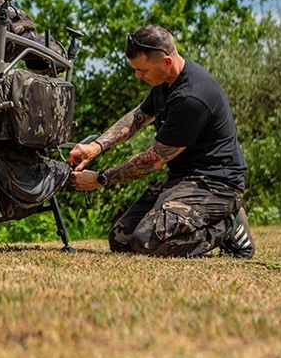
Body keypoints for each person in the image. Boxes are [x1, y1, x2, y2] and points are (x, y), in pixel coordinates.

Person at [69, 25, 255, 258]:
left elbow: (153, 160)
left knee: (146, 242)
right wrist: (95, 147)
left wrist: (100, 179)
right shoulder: (164, 82)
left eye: (142, 70)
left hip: (216, 185)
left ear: (166, 62)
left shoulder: (191, 98)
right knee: (120, 239)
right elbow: (137, 118)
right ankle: (216, 223)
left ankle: (227, 226)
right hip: (182, 181)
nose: (138, 76)